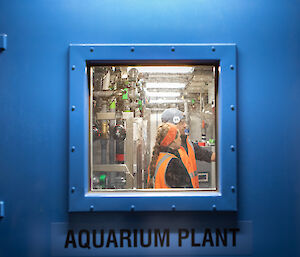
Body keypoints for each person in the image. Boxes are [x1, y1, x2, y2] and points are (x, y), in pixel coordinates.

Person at [161, 108, 215, 188]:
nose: (185, 125)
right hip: (181, 197)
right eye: (181, 123)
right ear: (173, 125)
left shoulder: (188, 143)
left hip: (192, 193)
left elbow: (208, 155)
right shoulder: (168, 150)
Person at [148, 123, 193, 189]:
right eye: (179, 137)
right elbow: (186, 193)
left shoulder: (158, 158)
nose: (180, 139)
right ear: (173, 140)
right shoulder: (174, 163)